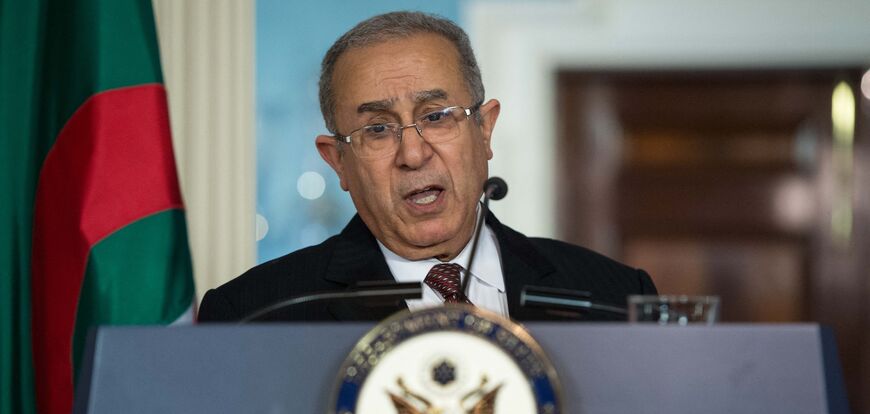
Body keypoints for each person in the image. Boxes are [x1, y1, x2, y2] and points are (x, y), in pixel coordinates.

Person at [198, 11, 656, 323]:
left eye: (436, 117)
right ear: (337, 161)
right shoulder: (256, 312)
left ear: (484, 129)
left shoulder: (615, 298)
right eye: (377, 129)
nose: (413, 155)